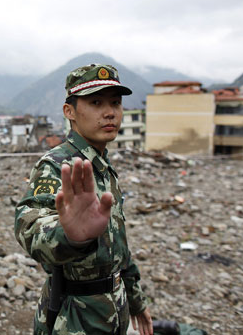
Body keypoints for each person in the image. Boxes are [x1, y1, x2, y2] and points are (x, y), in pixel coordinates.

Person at [14, 64, 153, 335]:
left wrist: (136, 301)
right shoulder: (57, 164)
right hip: (74, 315)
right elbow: (28, 226)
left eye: (115, 102)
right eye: (96, 102)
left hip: (115, 308)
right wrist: (70, 236)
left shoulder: (102, 165)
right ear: (70, 112)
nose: (110, 112)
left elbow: (119, 249)